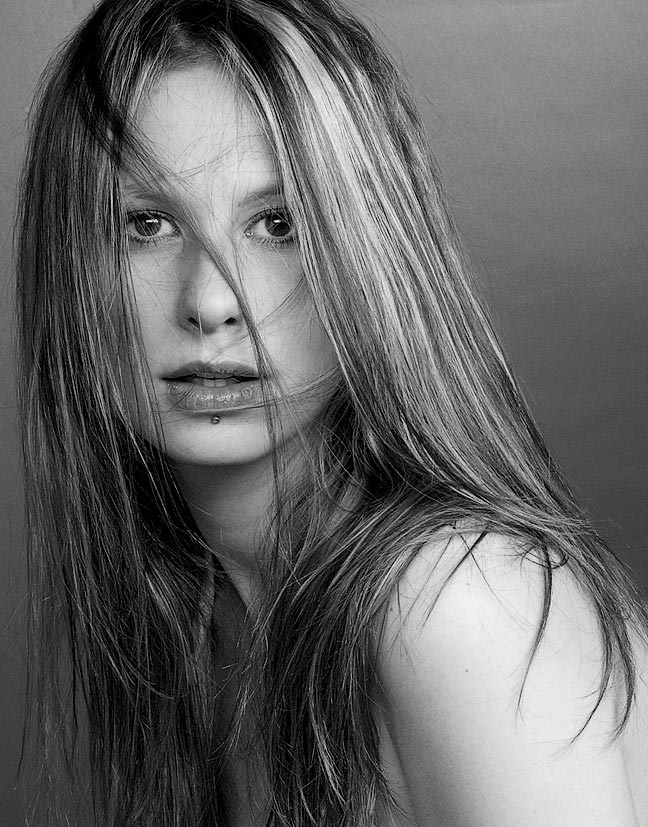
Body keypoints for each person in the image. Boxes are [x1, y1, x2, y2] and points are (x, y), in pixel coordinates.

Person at [15, 0, 648, 824]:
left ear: (372, 254)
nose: (211, 301)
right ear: (66, 267)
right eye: (146, 224)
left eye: (278, 224)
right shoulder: (207, 620)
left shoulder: (457, 600)